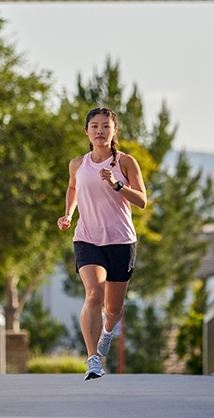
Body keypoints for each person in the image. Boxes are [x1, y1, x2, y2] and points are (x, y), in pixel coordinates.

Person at [57, 107, 147, 380]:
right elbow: (73, 187)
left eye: (106, 126)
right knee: (94, 294)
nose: (100, 131)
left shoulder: (126, 163)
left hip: (121, 240)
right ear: (86, 132)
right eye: (94, 126)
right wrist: (69, 214)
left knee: (114, 309)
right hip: (88, 238)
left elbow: (142, 201)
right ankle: (93, 359)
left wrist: (117, 185)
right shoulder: (77, 164)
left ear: (114, 131)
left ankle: (108, 331)